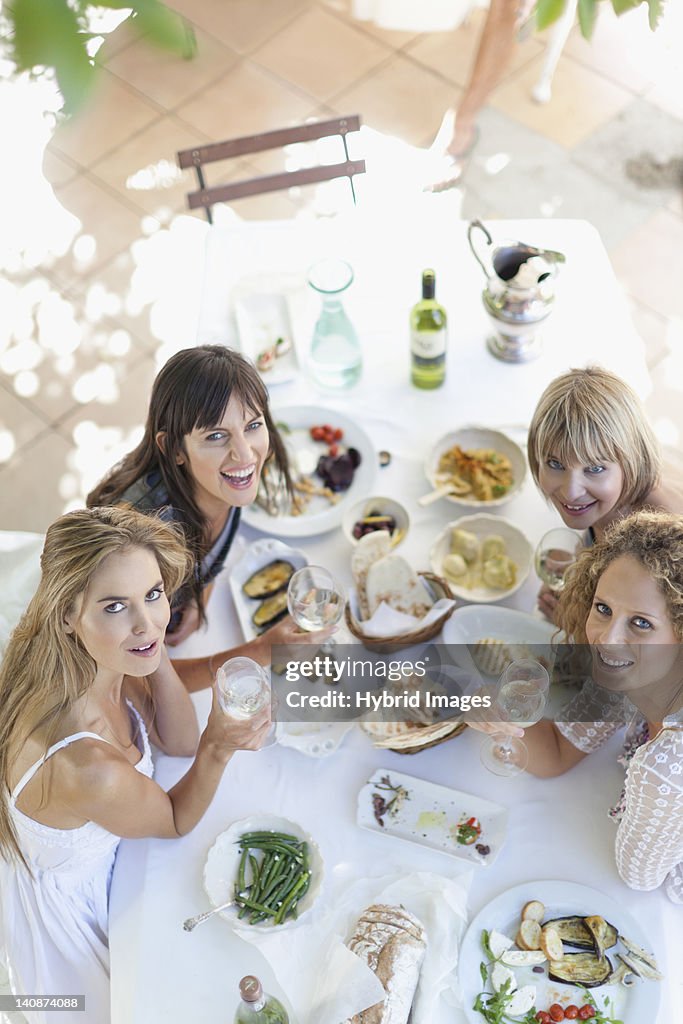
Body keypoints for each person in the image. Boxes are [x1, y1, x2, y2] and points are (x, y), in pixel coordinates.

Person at [0, 506, 271, 1024]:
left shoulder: (90, 656)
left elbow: (177, 741)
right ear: (67, 615)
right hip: (74, 915)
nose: (144, 619)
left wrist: (151, 644)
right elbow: (173, 820)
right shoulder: (88, 767)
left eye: (152, 593)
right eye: (114, 606)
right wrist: (222, 745)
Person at [87, 345, 329, 689]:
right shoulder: (134, 551)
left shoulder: (221, 479)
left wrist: (202, 590)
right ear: (173, 449)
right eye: (216, 436)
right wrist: (261, 650)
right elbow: (132, 682)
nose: (245, 454)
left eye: (252, 425)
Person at [471, 510, 683, 901]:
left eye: (641, 623)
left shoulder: (666, 770)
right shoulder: (633, 672)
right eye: (603, 609)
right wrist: (494, 707)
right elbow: (555, 753)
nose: (606, 639)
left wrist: (650, 787)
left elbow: (638, 879)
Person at [527, 365, 683, 620]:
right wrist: (582, 565)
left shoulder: (662, 545)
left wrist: (579, 621)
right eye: (555, 464)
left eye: (595, 468)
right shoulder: (613, 498)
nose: (570, 492)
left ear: (631, 461)